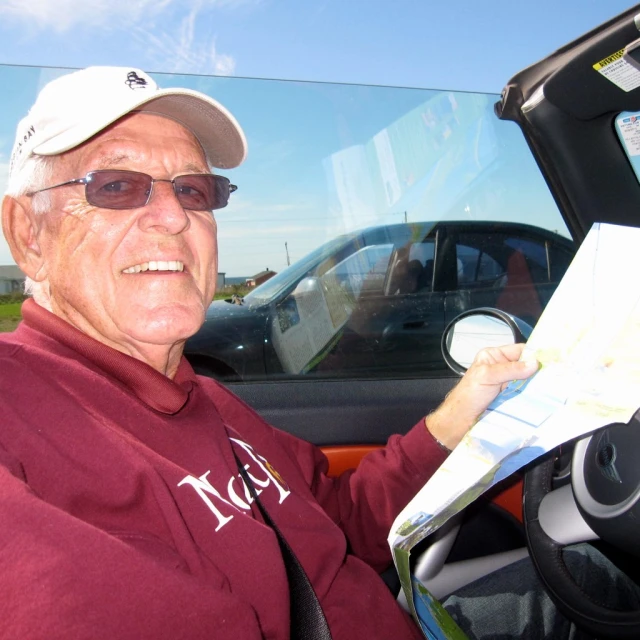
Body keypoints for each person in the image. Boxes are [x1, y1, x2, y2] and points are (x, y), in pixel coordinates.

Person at [0, 66, 634, 640]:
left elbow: (346, 522)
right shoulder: (15, 404)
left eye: (194, 190)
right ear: (27, 235)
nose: (171, 216)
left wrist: (464, 405)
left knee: (592, 575)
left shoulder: (211, 404)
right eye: (116, 186)